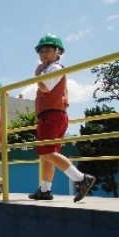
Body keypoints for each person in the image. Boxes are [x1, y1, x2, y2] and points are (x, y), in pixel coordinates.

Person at [29, 33, 95, 202]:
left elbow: (44, 88)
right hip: (52, 115)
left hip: (52, 115)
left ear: (58, 52)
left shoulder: (55, 68)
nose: (44, 54)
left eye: (48, 50)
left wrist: (38, 75)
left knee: (47, 151)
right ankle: (45, 190)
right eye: (41, 51)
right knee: (46, 154)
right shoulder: (50, 69)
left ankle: (81, 178)